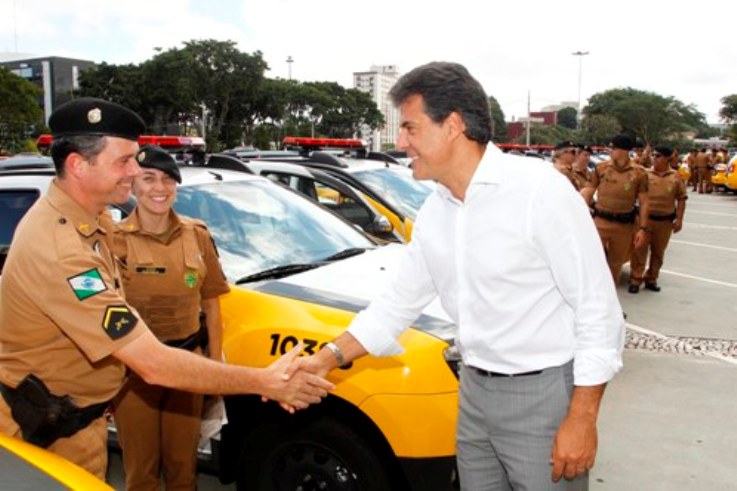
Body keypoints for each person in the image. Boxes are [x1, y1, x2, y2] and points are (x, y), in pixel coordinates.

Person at [286, 62, 624, 490]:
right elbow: (396, 305)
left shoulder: (540, 192)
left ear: (453, 125)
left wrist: (582, 418)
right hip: (473, 394)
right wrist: (325, 359)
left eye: (410, 128)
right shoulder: (437, 209)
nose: (400, 142)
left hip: (541, 398)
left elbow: (598, 310)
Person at [0, 98, 333, 478]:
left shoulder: (93, 222)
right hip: (43, 433)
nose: (134, 172)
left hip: (74, 420)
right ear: (78, 165)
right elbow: (153, 364)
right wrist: (265, 382)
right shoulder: (61, 249)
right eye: (124, 161)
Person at [109, 145, 229, 490]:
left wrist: (214, 369)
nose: (159, 188)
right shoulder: (114, 240)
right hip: (135, 374)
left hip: (186, 365)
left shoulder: (197, 235)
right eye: (148, 179)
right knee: (141, 473)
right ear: (133, 184)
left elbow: (212, 306)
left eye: (167, 179)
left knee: (183, 470)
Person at [581, 135, 650, 286]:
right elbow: (589, 189)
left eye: (613, 148)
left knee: (615, 263)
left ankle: (610, 295)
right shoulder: (601, 168)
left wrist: (642, 229)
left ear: (624, 150)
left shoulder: (639, 173)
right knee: (593, 259)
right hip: (600, 222)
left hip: (623, 226)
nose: (609, 150)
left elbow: (644, 202)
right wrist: (580, 211)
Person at [628, 146, 687, 293]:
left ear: (667, 158)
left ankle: (651, 278)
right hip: (644, 220)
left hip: (664, 222)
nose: (654, 158)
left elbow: (681, 199)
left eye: (658, 156)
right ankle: (635, 279)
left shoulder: (676, 176)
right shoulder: (645, 174)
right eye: (654, 155)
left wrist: (679, 220)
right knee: (639, 250)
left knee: (658, 252)